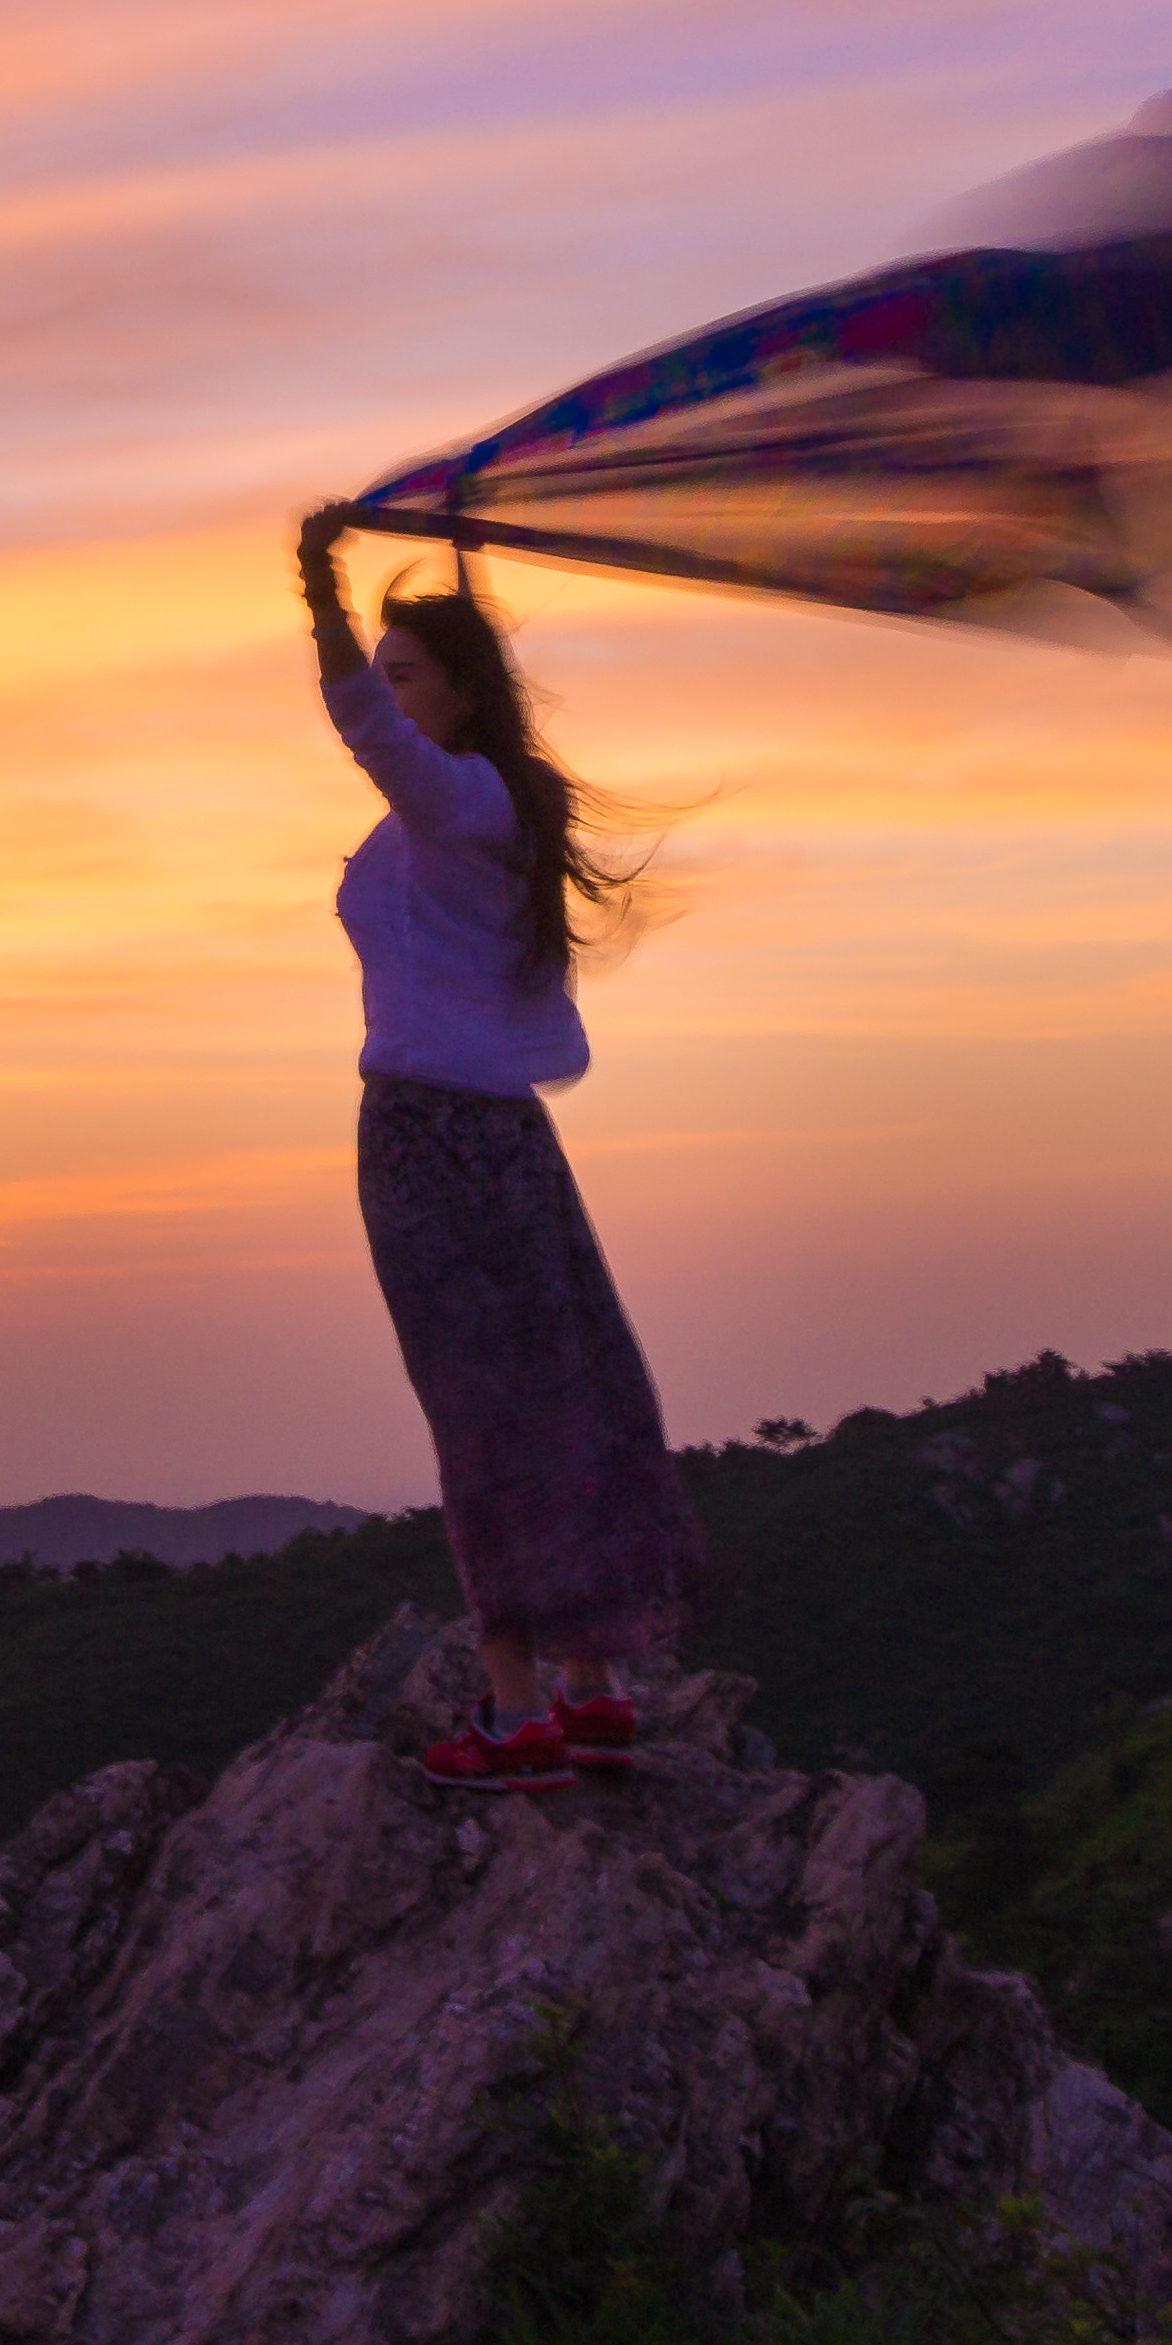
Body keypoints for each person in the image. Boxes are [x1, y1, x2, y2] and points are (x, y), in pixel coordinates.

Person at [298, 504, 711, 1793]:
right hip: (506, 1143)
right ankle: (592, 1690)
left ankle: (519, 1710)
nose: (382, 688)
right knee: (564, 1391)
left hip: (430, 1138)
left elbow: (362, 723)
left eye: (403, 670)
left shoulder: (456, 801)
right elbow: (430, 695)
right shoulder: (494, 808)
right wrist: (454, 547)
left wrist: (317, 582)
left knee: (483, 1412)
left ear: (462, 698)